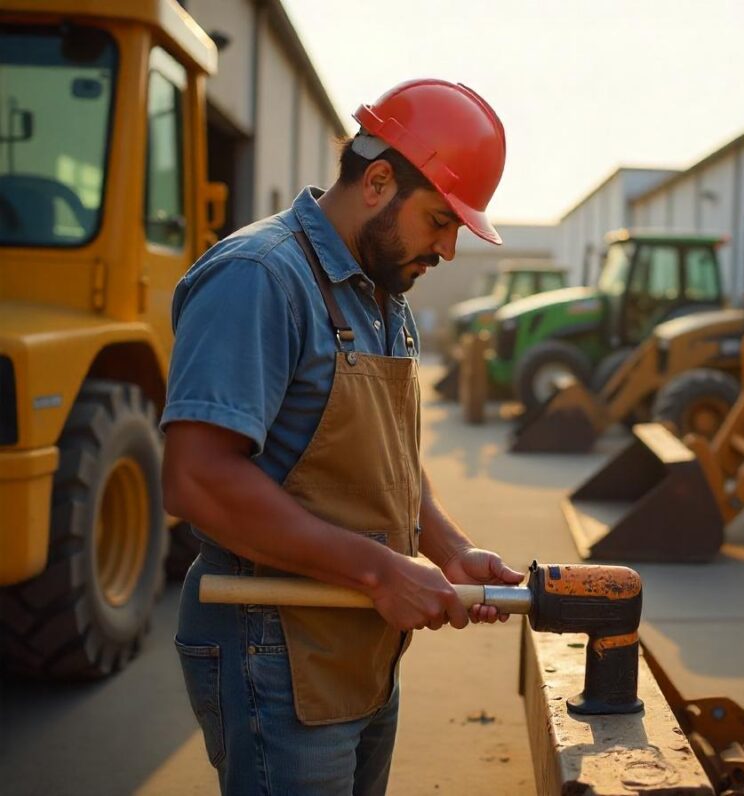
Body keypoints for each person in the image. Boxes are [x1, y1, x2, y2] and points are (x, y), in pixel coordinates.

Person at [161, 79, 521, 795]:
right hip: (272, 645)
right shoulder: (260, 276)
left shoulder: (382, 293)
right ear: (379, 181)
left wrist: (447, 548)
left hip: (359, 640)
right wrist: (381, 570)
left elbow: (383, 454)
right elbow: (197, 479)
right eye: (440, 221)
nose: (448, 249)